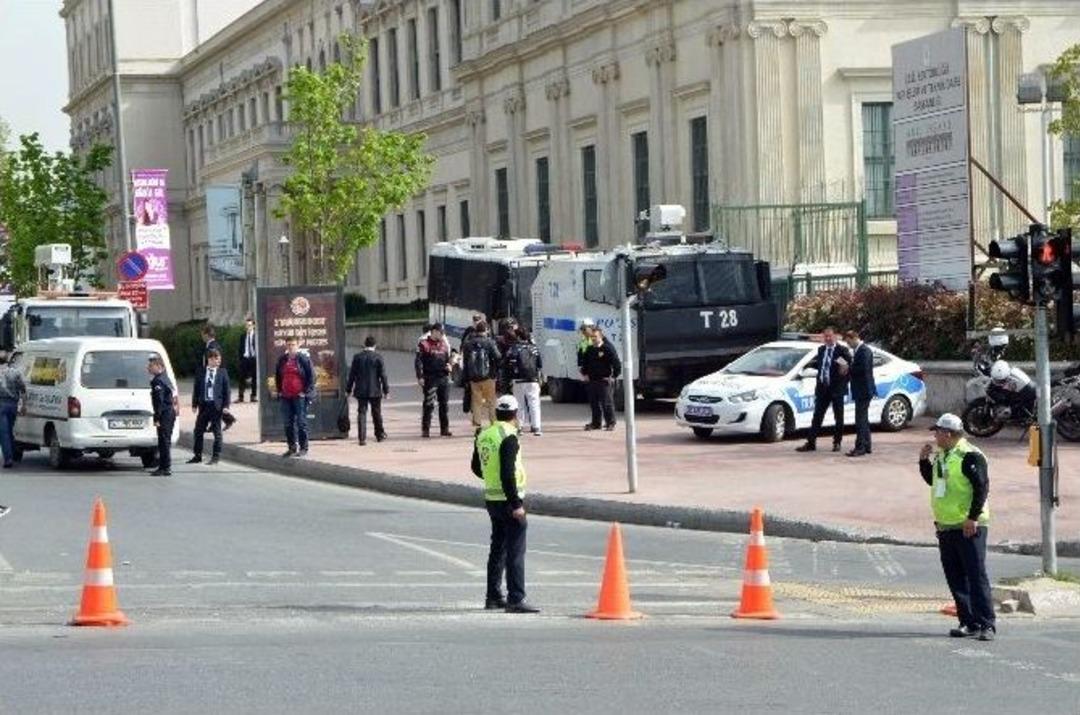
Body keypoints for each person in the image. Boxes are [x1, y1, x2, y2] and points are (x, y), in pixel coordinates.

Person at [919, 413, 995, 641]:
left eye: (937, 432)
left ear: (949, 434)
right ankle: (968, 622)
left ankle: (986, 624)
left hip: (968, 525)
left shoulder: (970, 455)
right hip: (946, 525)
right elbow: (935, 482)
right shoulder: (943, 455)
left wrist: (972, 517)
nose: (935, 436)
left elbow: (982, 487)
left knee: (975, 575)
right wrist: (923, 462)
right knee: (955, 577)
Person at [471, 394, 539, 614]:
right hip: (509, 500)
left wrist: (491, 477)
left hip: (492, 499)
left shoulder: (484, 434)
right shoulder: (509, 436)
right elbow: (508, 473)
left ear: (497, 412)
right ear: (515, 414)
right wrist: (516, 503)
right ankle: (516, 598)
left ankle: (493, 596)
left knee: (497, 549)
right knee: (515, 551)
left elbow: (476, 467)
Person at [796, 327, 852, 453]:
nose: (828, 338)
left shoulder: (842, 350)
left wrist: (843, 380)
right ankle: (811, 443)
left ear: (835, 337)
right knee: (817, 416)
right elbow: (820, 367)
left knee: (838, 417)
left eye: (830, 336)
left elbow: (848, 367)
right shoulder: (821, 350)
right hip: (822, 388)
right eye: (825, 336)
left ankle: (837, 442)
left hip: (836, 389)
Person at [274, 336, 315, 457]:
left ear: (298, 346)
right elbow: (278, 376)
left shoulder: (303, 359)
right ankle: (292, 447)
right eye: (288, 345)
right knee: (288, 423)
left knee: (301, 423)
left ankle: (303, 448)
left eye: (293, 345)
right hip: (286, 396)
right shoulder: (282, 360)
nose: (291, 347)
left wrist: (305, 392)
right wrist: (279, 391)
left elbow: (311, 377)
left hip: (299, 396)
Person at [189, 349, 230, 465]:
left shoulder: (222, 372)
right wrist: (194, 404)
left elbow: (226, 391)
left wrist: (226, 405)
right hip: (204, 405)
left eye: (219, 359)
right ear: (209, 359)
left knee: (217, 432)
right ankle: (197, 455)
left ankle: (215, 456)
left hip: (216, 406)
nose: (218, 361)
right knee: (198, 430)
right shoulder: (201, 372)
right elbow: (196, 388)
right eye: (216, 359)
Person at [346, 336, 389, 445]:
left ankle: (362, 438)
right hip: (375, 390)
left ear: (364, 344)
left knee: (362, 412)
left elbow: (352, 375)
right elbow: (383, 375)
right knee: (376, 412)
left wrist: (348, 389)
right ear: (375, 345)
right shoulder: (378, 357)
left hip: (361, 390)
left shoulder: (357, 357)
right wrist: (386, 391)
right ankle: (379, 435)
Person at [462, 320, 502, 431]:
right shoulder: (489, 342)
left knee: (476, 400)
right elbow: (498, 357)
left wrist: (466, 377)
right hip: (488, 376)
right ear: (486, 330)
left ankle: (477, 423)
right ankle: (493, 422)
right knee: (491, 400)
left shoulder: (468, 344)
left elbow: (465, 362)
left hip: (474, 378)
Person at [415, 323, 453, 438]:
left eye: (443, 333)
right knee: (429, 404)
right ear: (434, 331)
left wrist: (449, 365)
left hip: (443, 378)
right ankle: (425, 429)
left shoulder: (444, 344)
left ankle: (444, 429)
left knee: (444, 404)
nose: (442, 335)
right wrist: (420, 376)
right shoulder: (424, 344)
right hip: (430, 378)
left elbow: (447, 359)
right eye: (441, 333)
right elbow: (418, 362)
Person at [844, 329, 877, 457]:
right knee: (863, 419)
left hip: (864, 390)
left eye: (849, 342)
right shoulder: (860, 351)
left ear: (854, 338)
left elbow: (863, 369)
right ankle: (867, 445)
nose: (849, 345)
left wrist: (848, 368)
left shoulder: (864, 351)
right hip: (861, 389)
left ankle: (860, 447)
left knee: (860, 420)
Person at [581, 327, 621, 431]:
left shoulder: (607, 348)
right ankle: (596, 423)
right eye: (592, 337)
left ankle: (610, 423)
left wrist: (613, 376)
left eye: (595, 336)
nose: (593, 339)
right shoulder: (589, 349)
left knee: (606, 403)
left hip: (604, 381)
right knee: (594, 403)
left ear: (601, 337)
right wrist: (585, 373)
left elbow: (616, 363)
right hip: (592, 380)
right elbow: (585, 363)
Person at [508, 328, 543, 436]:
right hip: (533, 380)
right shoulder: (534, 348)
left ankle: (519, 427)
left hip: (518, 380)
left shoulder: (514, 348)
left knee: (519, 404)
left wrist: (510, 379)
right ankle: (536, 427)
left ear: (518, 336)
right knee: (534, 404)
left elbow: (510, 364)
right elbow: (539, 365)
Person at [148, 355, 176, 477]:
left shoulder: (158, 380)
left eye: (151, 366)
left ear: (159, 366)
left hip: (164, 414)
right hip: (170, 412)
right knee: (165, 441)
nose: (148, 368)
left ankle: (165, 467)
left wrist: (157, 418)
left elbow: (159, 401)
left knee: (163, 442)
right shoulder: (165, 378)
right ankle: (164, 466)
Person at [0, 351, 27, 469]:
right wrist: (24, 405)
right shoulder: (15, 372)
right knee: (9, 430)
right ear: (8, 361)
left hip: (1, 404)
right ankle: (13, 452)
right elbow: (23, 389)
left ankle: (8, 458)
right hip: (13, 404)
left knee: (3, 432)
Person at [237, 317, 258, 403]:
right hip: (245, 358)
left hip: (253, 358)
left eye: (249, 325)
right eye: (246, 325)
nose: (248, 327)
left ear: (253, 326)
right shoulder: (243, 336)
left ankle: (253, 396)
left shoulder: (256, 336)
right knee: (241, 377)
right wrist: (240, 359)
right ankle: (240, 396)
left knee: (254, 378)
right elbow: (240, 348)